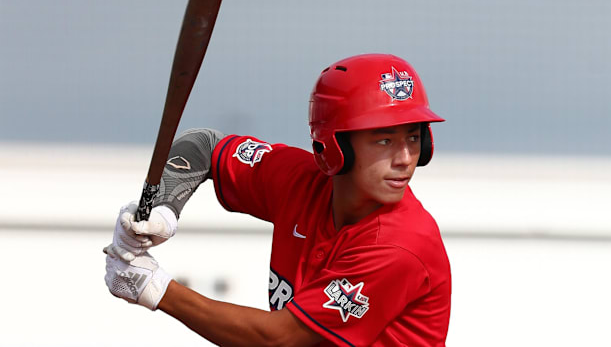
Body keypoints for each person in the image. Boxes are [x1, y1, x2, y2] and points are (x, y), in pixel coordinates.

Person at [104, 53, 452, 346]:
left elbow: (280, 339)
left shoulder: (400, 246)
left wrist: (154, 288)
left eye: (413, 137)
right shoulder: (299, 181)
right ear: (334, 146)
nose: (406, 157)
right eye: (384, 140)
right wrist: (164, 206)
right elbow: (203, 146)